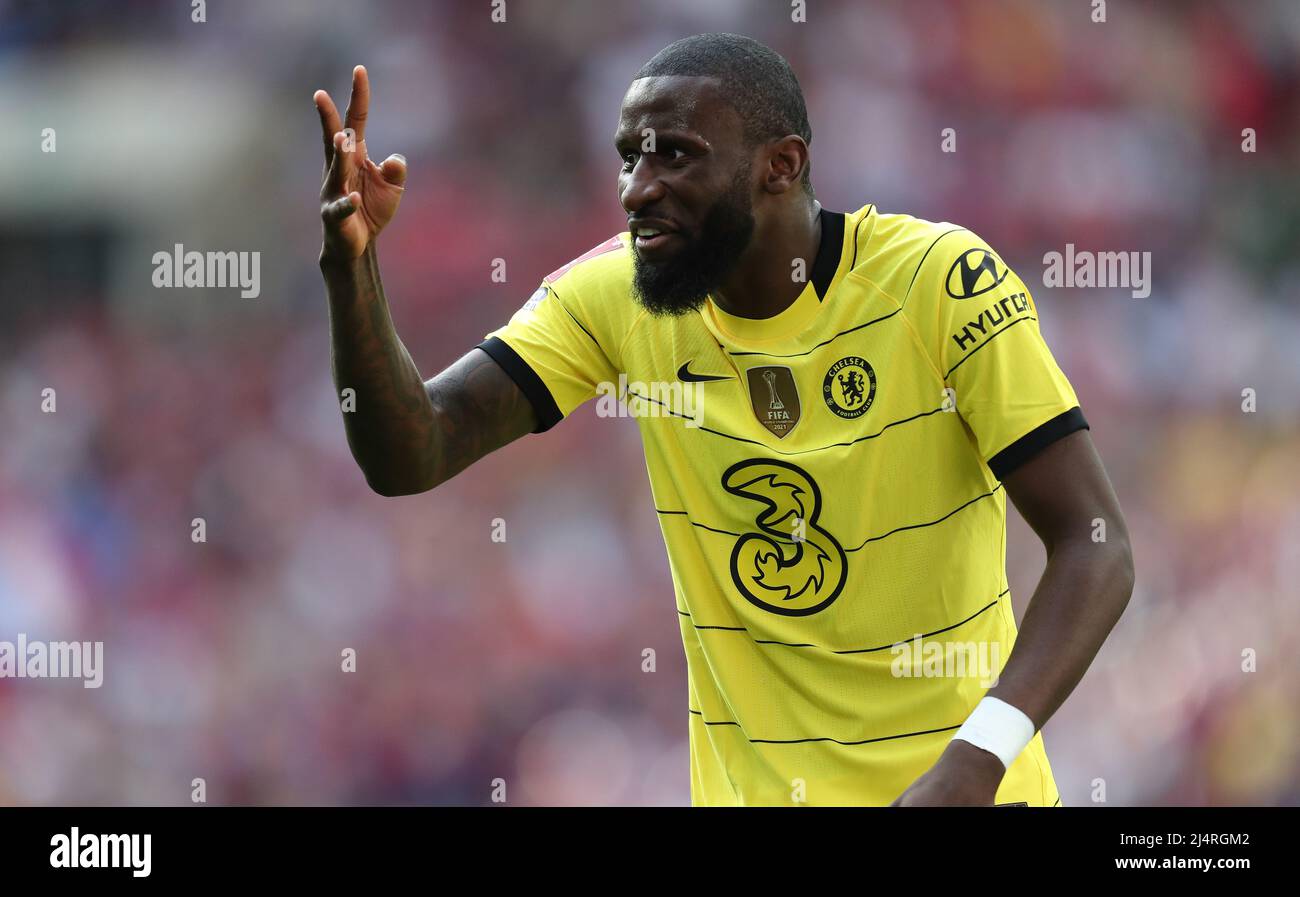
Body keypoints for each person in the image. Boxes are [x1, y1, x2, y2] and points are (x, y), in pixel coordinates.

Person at [314, 33, 1134, 806]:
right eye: (630, 157)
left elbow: (1096, 545)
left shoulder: (939, 282)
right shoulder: (615, 293)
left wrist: (974, 760)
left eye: (676, 154)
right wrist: (352, 271)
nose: (638, 187)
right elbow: (410, 453)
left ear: (781, 166)